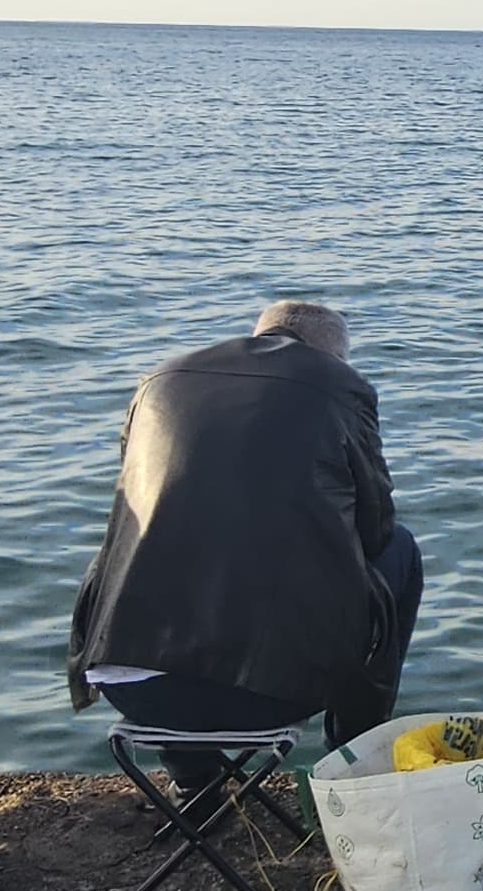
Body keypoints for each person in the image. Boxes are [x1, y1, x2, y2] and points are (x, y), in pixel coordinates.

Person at [69, 302, 422, 751]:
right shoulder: (340, 386)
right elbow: (376, 530)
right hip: (270, 695)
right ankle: (352, 754)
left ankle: (195, 786)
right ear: (332, 356)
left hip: (131, 688)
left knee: (141, 544)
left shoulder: (159, 380)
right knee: (402, 552)